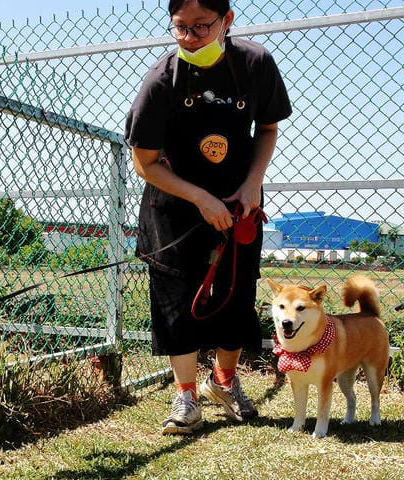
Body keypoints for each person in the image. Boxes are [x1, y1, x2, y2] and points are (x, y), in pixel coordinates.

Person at [125, 0, 291, 434]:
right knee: (176, 303)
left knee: (235, 296)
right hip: (175, 205)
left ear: (227, 21)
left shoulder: (254, 63)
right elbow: (144, 162)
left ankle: (224, 381)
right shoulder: (162, 79)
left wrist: (253, 184)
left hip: (239, 201)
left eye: (201, 27)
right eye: (180, 28)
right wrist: (200, 198)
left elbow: (267, 129)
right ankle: (186, 397)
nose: (189, 38)